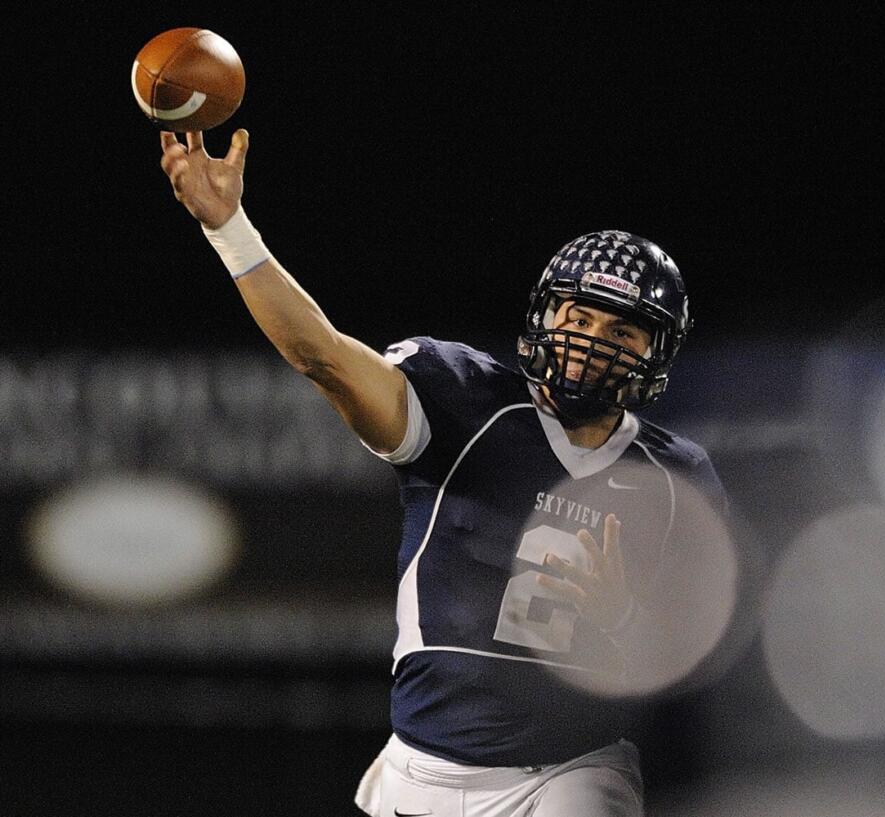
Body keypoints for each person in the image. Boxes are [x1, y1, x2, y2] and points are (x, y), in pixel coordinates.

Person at [158, 128, 730, 817]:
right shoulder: (465, 399)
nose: (589, 346)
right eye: (580, 316)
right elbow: (325, 358)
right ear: (546, 315)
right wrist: (230, 229)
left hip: (569, 771)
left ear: (655, 355)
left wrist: (624, 616)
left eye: (620, 334)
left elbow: (699, 664)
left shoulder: (674, 477)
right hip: (418, 767)